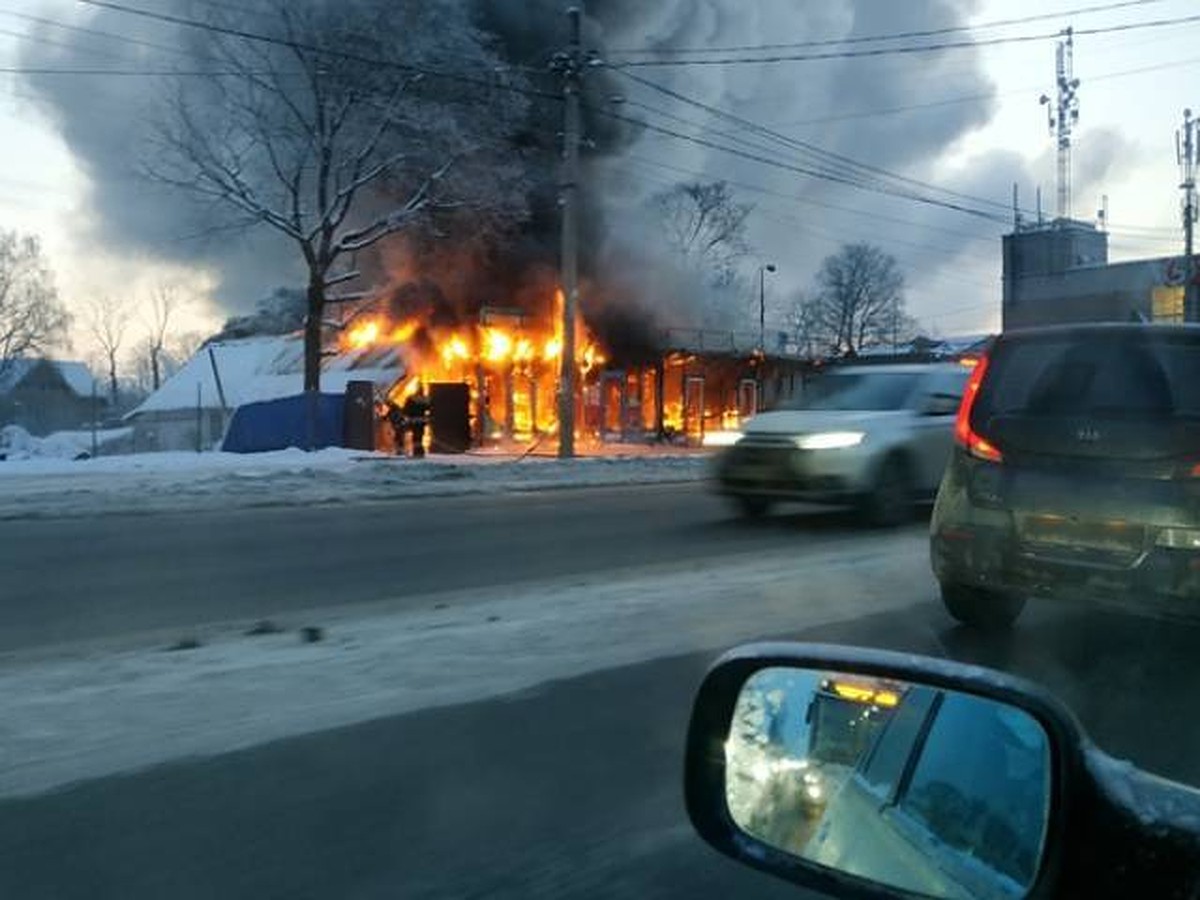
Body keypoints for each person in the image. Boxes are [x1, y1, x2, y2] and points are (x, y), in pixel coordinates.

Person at [402, 387, 431, 458]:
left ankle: (416, 452)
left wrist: (407, 417)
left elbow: (405, 410)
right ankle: (420, 452)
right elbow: (430, 409)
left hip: (413, 420)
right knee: (420, 436)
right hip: (421, 421)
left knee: (415, 437)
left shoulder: (410, 399)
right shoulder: (425, 400)